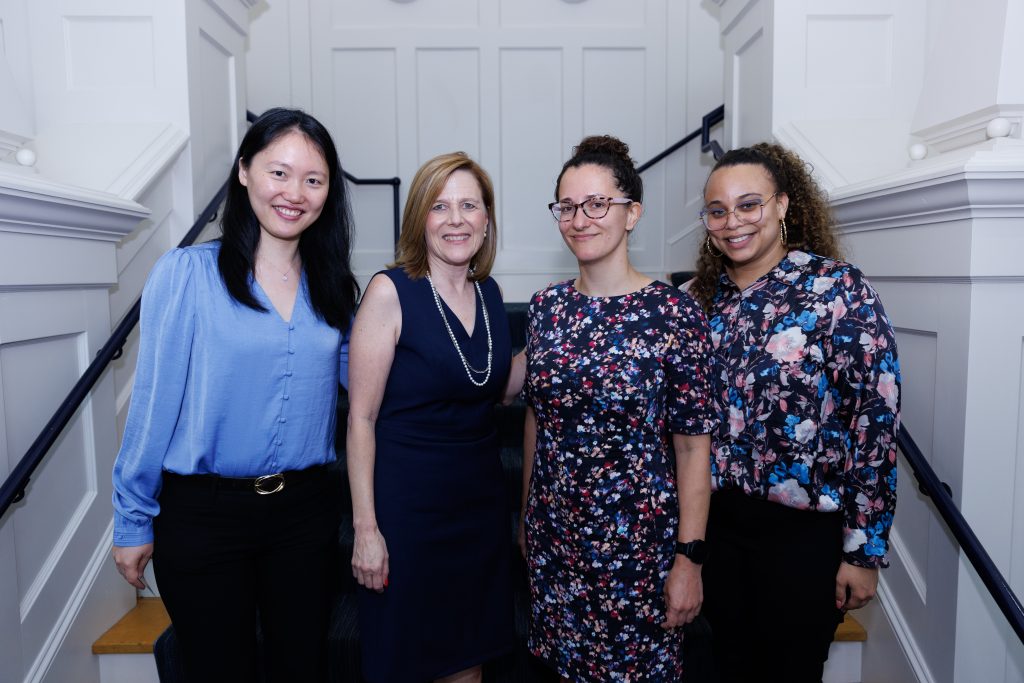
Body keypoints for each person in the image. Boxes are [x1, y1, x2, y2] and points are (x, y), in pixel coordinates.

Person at [111, 108, 359, 683]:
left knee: (302, 669)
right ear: (245, 172)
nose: (294, 193)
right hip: (204, 518)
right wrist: (132, 520)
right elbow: (152, 406)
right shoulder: (187, 274)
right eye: (279, 172)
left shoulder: (334, 287)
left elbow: (367, 388)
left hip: (305, 514)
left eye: (313, 180)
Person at [689, 142, 901, 683]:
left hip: (803, 539)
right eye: (718, 210)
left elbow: (873, 422)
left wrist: (864, 551)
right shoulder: (697, 299)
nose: (732, 221)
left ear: (783, 204)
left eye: (749, 204)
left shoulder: (836, 290)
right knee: (728, 668)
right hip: (717, 533)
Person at [520, 135, 719, 681]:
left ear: (632, 214)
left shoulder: (674, 313)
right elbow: (537, 418)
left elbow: (692, 447)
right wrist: (525, 519)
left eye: (597, 204)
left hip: (639, 552)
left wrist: (689, 559)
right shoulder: (547, 308)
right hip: (555, 541)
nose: (580, 219)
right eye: (567, 206)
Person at [347, 151, 523, 683]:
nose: (456, 219)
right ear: (419, 217)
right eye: (440, 206)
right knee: (408, 662)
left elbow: (492, 390)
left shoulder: (489, 292)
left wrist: (556, 339)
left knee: (468, 664)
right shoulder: (390, 290)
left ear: (486, 218)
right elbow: (360, 418)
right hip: (409, 513)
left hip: (479, 507)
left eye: (469, 205)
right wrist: (365, 529)